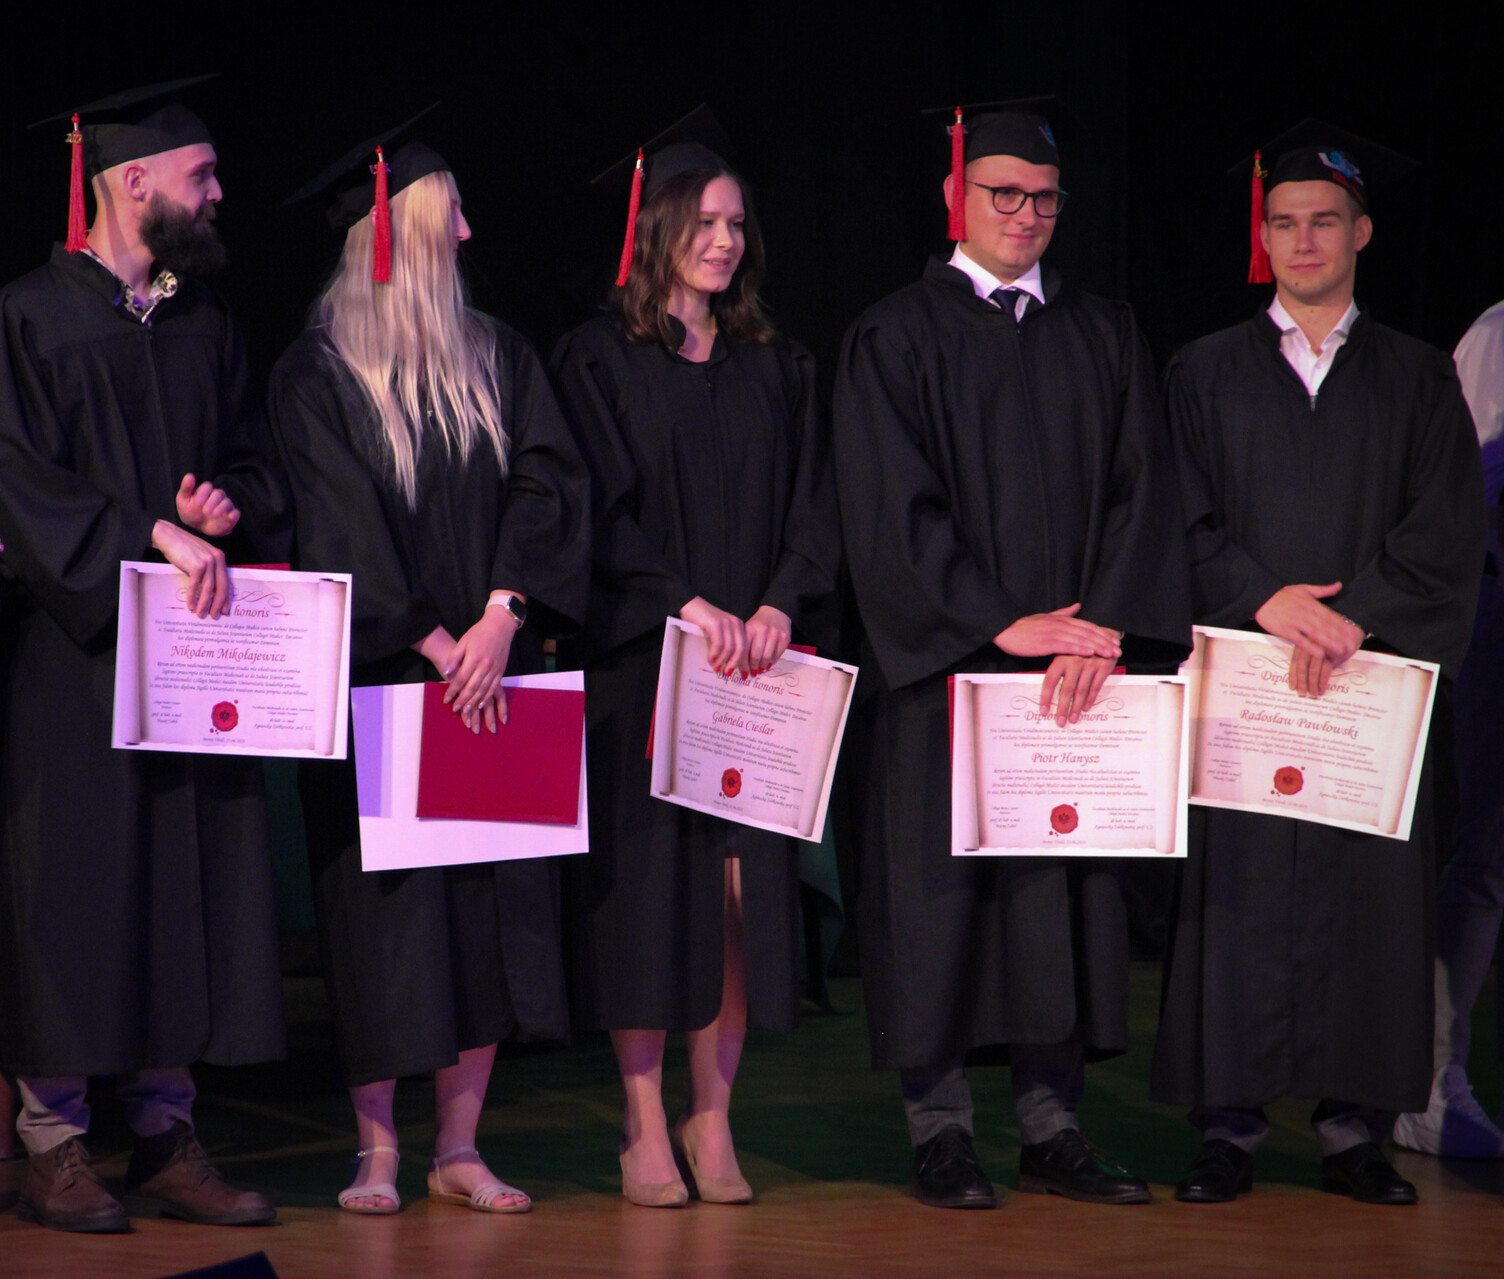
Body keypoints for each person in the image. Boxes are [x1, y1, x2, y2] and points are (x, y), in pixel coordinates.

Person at [831, 104, 1188, 1209]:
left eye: (1043, 198)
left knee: (1059, 899)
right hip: (950, 674)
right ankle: (941, 1133)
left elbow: (1145, 491)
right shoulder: (893, 335)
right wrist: (1000, 622)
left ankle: (1053, 1127)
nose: (1026, 215)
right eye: (1003, 194)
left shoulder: (1103, 331)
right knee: (939, 905)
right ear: (956, 196)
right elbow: (888, 508)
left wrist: (1106, 627)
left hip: (1076, 675)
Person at [0, 78, 290, 1232]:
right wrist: (146, 533)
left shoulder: (207, 324)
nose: (218, 194)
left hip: (193, 661)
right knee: (73, 891)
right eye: (201, 175)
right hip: (75, 661)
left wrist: (220, 507)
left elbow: (257, 466)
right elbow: (15, 485)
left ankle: (164, 1130)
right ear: (132, 180)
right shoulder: (24, 321)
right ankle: (53, 1140)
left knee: (181, 886)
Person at [1155, 126, 1485, 1203]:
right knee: (1242, 892)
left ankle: (1354, 1131)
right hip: (1248, 677)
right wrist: (1268, 599)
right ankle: (1229, 1127)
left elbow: (1446, 528)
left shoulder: (1418, 376)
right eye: (1286, 223)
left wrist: (1358, 616)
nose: (1304, 241)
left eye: (1325, 222)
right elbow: (1174, 518)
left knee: (1367, 894)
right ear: (1265, 237)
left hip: (1366, 683)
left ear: (1362, 232)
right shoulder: (1202, 372)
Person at [267, 122, 589, 1215]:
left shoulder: (497, 354)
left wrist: (501, 616)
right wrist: (436, 641)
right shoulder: (317, 372)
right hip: (385, 684)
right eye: (450, 211)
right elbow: (333, 522)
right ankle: (376, 1151)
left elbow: (549, 483)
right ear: (399, 229)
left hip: (493, 676)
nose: (468, 230)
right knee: (384, 920)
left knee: (488, 914)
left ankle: (458, 1145)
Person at [550, 111, 837, 1208]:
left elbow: (818, 507)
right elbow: (595, 512)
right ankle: (640, 1118)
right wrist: (685, 602)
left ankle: (712, 1115)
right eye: (704, 221)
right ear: (656, 227)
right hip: (650, 665)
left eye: (736, 223)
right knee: (647, 898)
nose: (723, 240)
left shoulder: (778, 364)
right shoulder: (598, 360)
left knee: (734, 900)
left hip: (756, 670)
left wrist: (778, 601)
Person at [1392, 298, 1504, 1158]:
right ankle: (1434, 1083)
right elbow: (1459, 486)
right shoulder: (1499, 334)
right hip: (1497, 611)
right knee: (1488, 852)